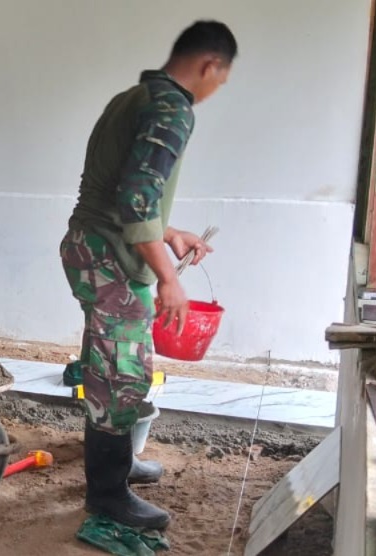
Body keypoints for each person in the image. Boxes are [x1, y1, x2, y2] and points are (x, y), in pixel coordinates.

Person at [60, 21, 236, 531]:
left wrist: (171, 232)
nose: (214, 90)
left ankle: (116, 466)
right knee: (121, 374)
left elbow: (125, 194)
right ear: (210, 66)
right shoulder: (171, 109)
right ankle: (107, 493)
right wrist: (169, 278)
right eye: (219, 80)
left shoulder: (133, 96)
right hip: (107, 256)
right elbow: (136, 200)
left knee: (110, 366)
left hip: (92, 247)